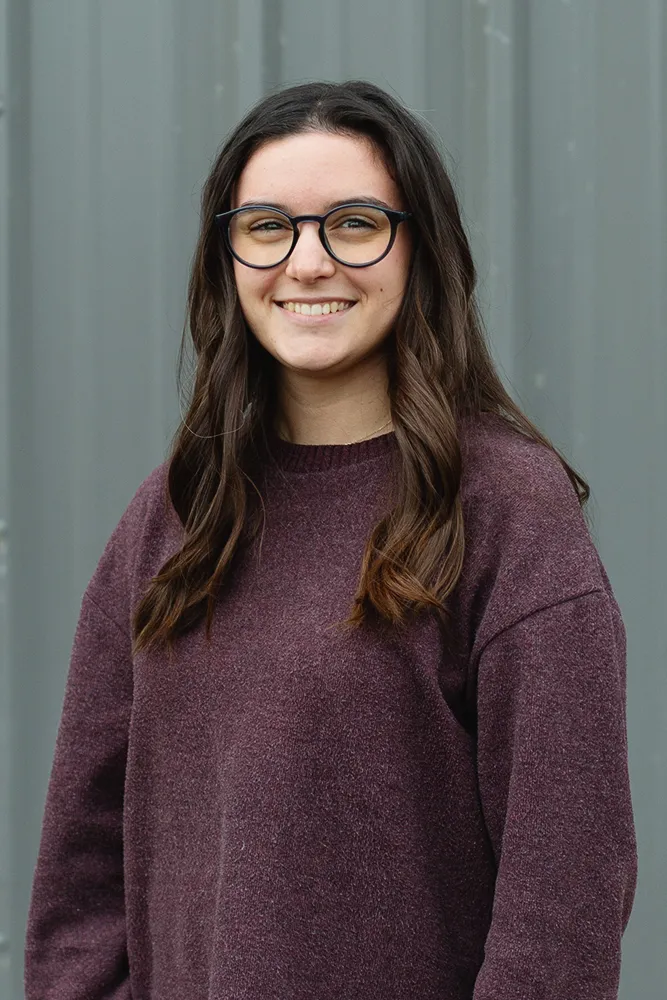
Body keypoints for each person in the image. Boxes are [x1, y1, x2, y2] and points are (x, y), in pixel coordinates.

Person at [24, 80, 637, 1000]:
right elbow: (79, 881)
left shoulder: (507, 512)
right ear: (226, 256)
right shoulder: (173, 517)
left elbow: (564, 897)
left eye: (353, 224)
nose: (307, 263)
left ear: (418, 248)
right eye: (267, 226)